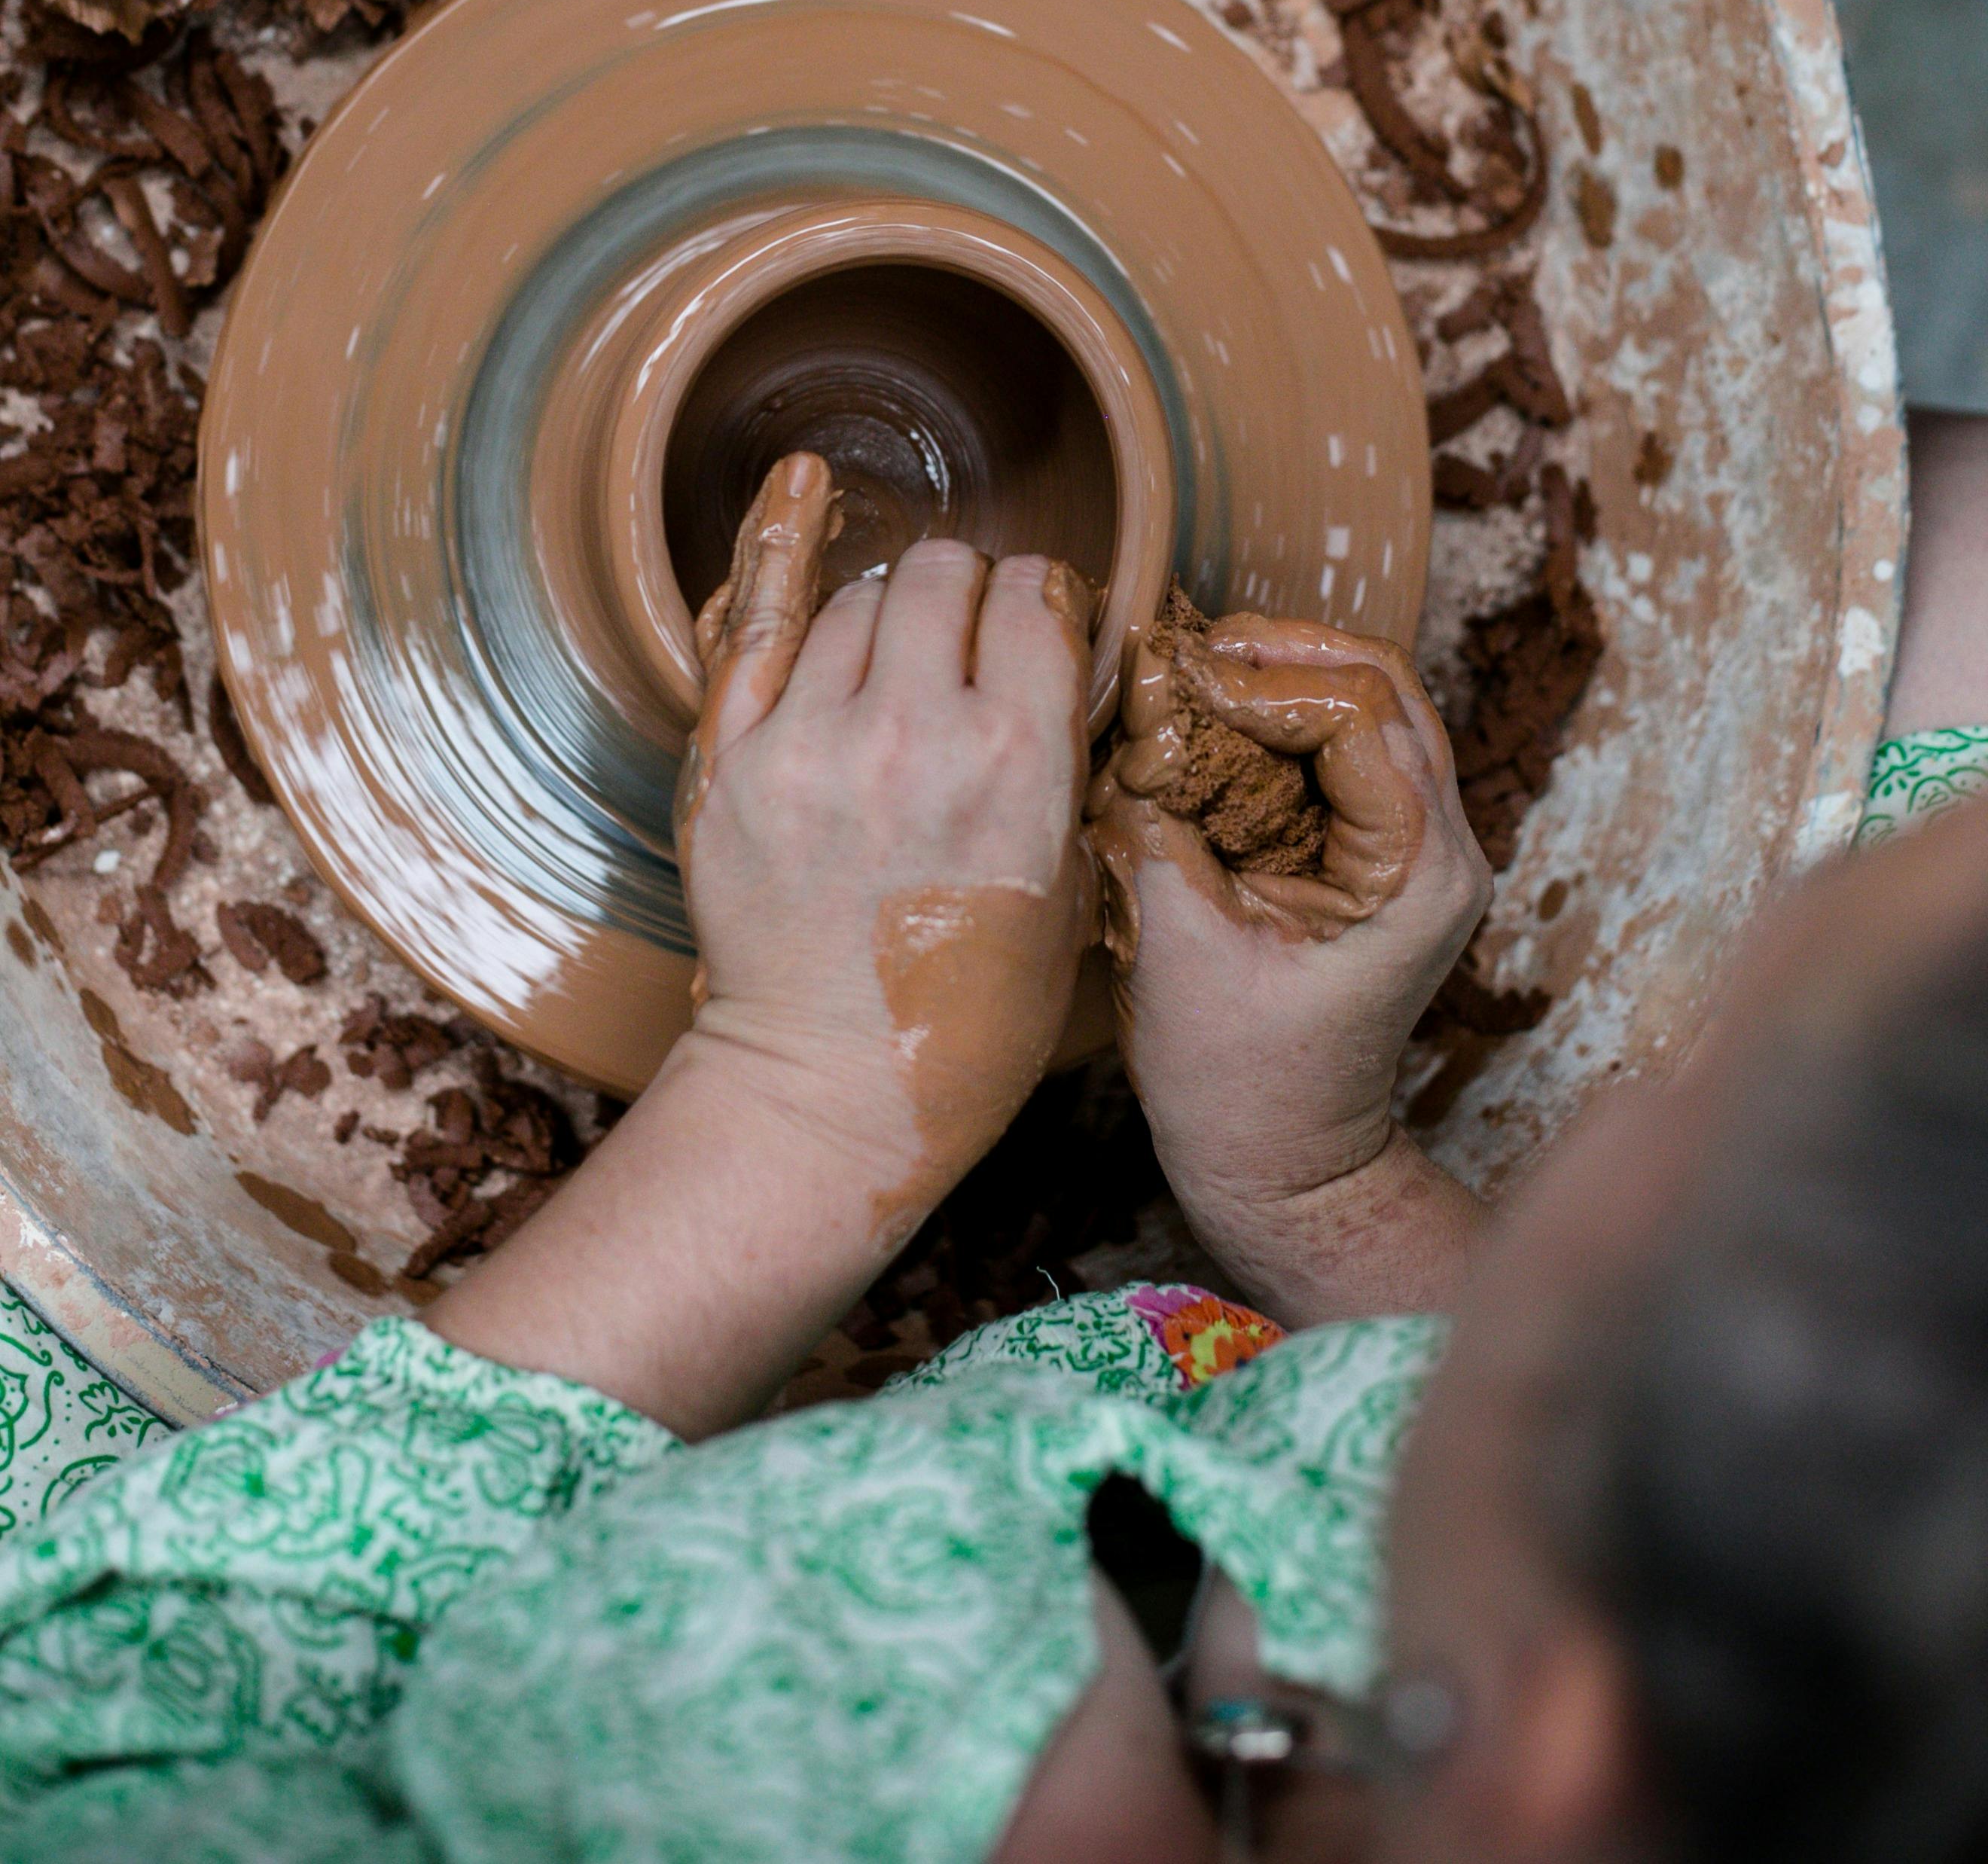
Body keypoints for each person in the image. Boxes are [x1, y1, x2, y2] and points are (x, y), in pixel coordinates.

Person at [0, 421, 1983, 1862]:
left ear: (1560, 1743)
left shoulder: (764, 1779)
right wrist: (1327, 1178)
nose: (1653, 1096)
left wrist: (813, 1089)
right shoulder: (1688, 1657)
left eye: (1685, 1113)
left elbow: (92, 1736)